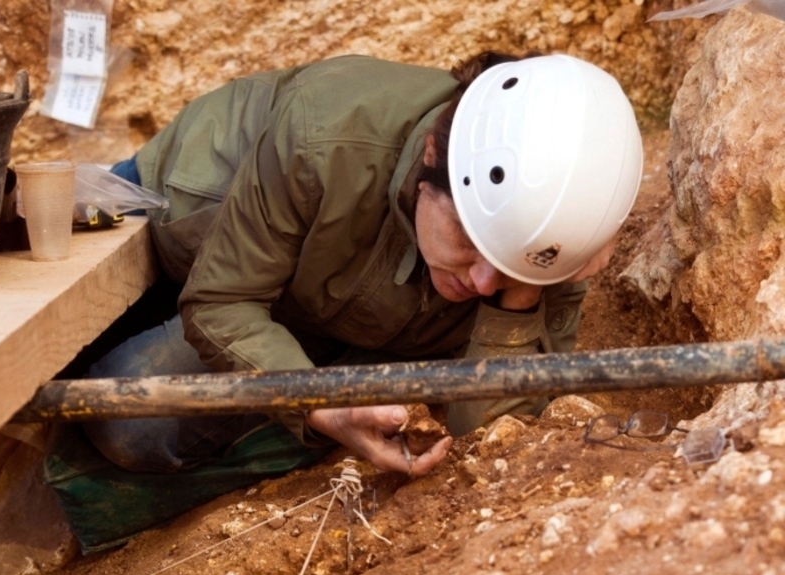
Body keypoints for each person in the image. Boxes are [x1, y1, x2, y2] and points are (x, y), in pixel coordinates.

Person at [83, 51, 642, 483]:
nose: (479, 282)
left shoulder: (551, 238)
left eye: (506, 266)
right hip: (192, 219)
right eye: (470, 244)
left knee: (133, 427)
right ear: (430, 159)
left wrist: (521, 297)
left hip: (327, 305)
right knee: (95, 394)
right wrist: (324, 404)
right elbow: (220, 302)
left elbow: (500, 432)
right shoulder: (321, 139)